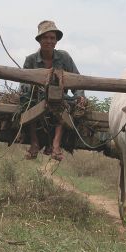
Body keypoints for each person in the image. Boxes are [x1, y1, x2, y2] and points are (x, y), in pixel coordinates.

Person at [21, 20, 85, 161]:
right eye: (46, 37)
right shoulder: (30, 60)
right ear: (39, 40)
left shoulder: (64, 58)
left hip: (60, 99)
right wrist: (34, 88)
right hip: (36, 98)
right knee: (26, 102)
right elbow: (23, 85)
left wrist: (80, 96)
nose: (49, 41)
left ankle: (56, 145)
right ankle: (34, 143)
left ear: (56, 41)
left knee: (66, 104)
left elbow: (77, 80)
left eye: (52, 38)